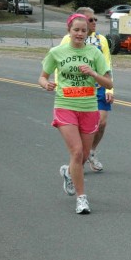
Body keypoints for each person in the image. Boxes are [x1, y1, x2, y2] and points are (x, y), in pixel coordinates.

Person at [40, 14, 113, 214]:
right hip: (65, 105)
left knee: (85, 155)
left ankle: (69, 171)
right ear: (69, 30)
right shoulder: (57, 52)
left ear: (88, 32)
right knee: (77, 151)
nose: (80, 33)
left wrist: (93, 73)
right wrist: (46, 84)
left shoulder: (94, 53)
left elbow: (109, 83)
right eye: (76, 30)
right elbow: (42, 77)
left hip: (88, 107)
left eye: (83, 30)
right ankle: (82, 199)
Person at [60, 7, 113, 172]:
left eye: (95, 19)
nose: (94, 22)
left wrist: (110, 90)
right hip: (77, 89)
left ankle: (91, 152)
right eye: (91, 20)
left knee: (102, 122)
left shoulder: (101, 40)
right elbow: (59, 64)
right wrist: (59, 86)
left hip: (99, 86)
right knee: (80, 128)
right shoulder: (67, 39)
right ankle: (77, 163)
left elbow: (107, 65)